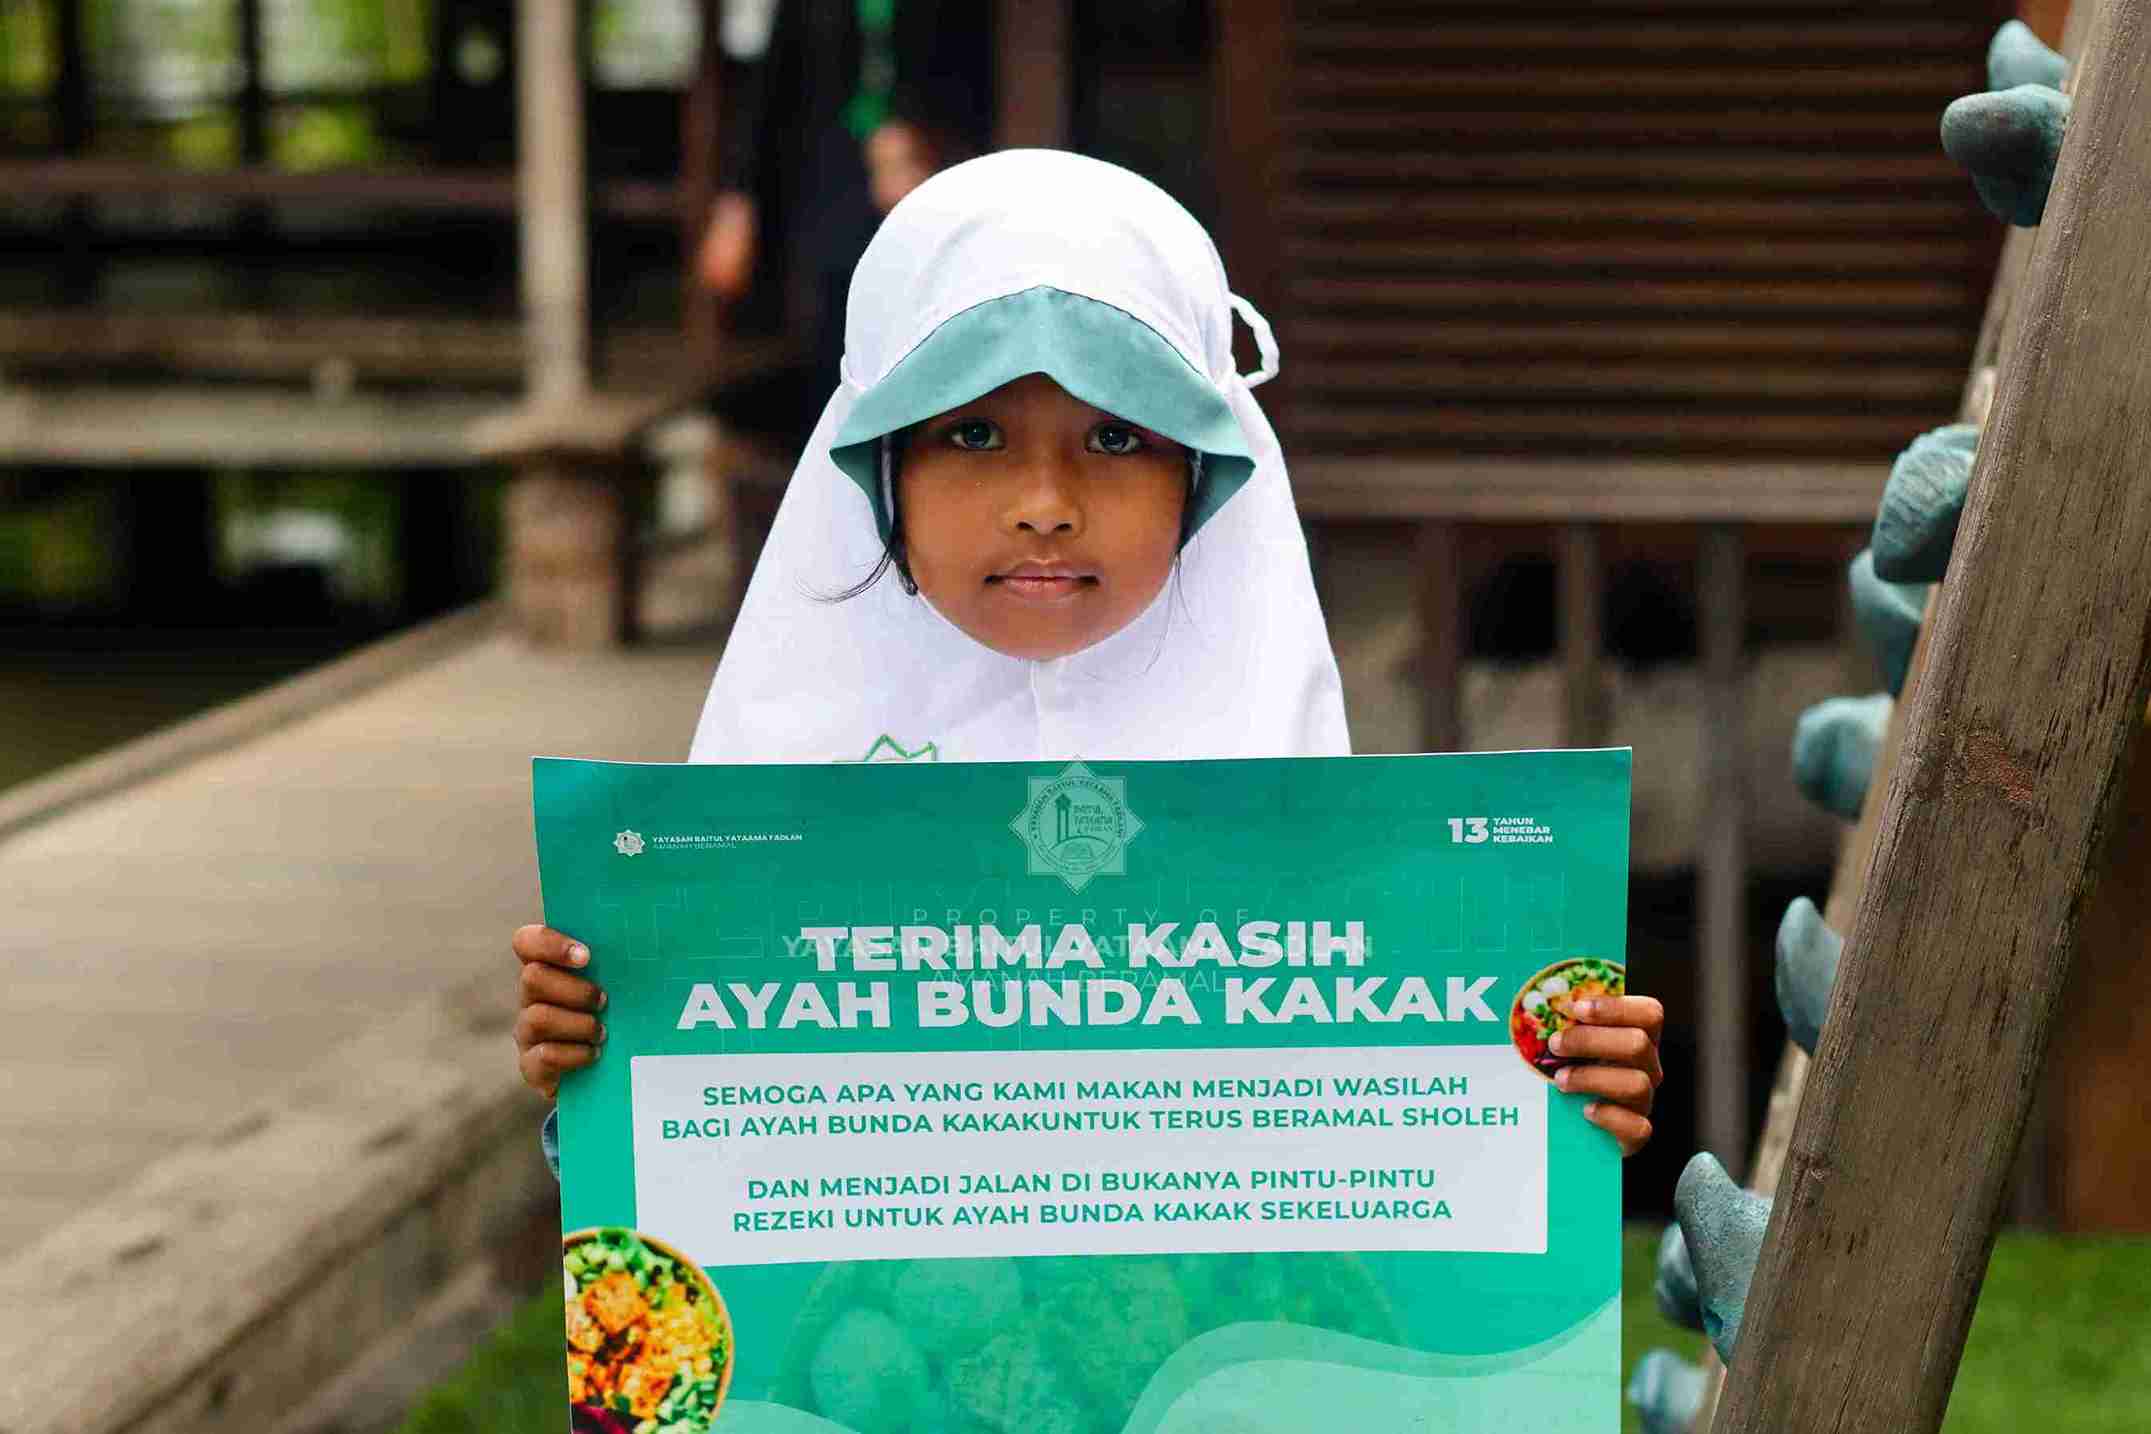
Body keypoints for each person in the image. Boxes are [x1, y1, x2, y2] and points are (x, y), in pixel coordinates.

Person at [514, 153, 1664, 1157]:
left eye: (1117, 435)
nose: (1046, 504)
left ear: (1203, 480)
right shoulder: (756, 815)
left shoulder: (1337, 859)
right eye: (972, 432)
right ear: (876, 471)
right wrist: (604, 1077)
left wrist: (1560, 1092)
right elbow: (700, 1205)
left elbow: (1411, 1181)